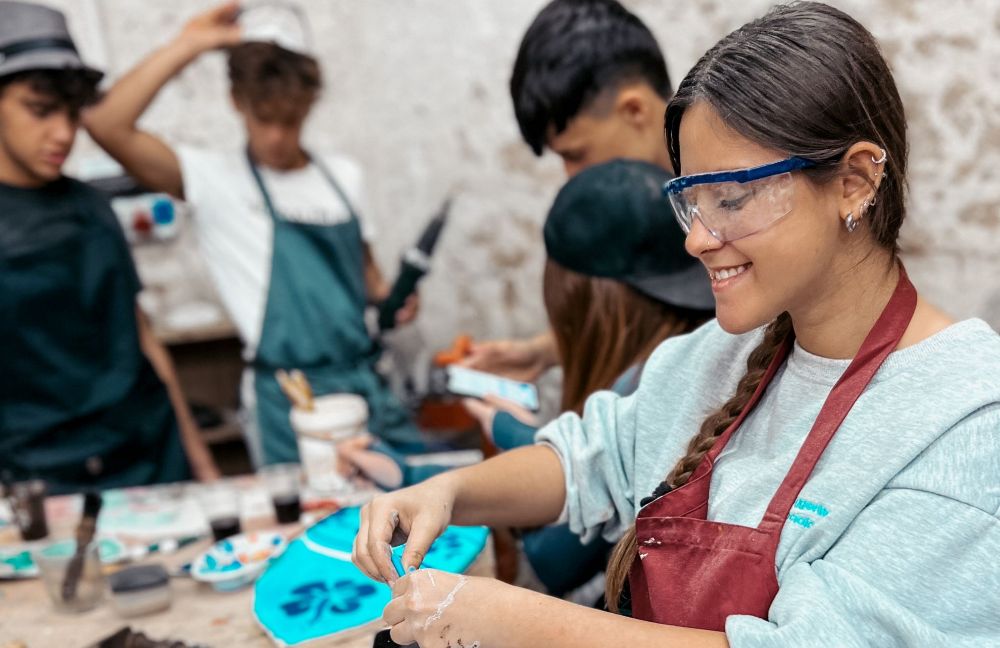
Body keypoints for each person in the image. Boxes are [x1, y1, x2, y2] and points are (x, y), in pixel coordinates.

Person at [352, 3, 1000, 647]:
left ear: (855, 181)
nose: (697, 241)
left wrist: (514, 621)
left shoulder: (965, 418)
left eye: (732, 198)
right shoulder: (722, 354)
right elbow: (590, 459)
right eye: (691, 202)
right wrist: (447, 492)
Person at [341, 160, 713, 599]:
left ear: (584, 302)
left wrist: (508, 428)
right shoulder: (686, 353)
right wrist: (413, 475)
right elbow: (587, 461)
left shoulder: (661, 383)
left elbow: (557, 555)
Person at [84, 2, 423, 468]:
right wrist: (188, 45)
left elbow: (370, 283)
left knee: (412, 519)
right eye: (265, 119)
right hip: (290, 400)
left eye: (292, 119)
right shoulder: (212, 180)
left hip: (366, 385)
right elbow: (105, 123)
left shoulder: (343, 177)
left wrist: (395, 299)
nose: (278, 137)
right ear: (237, 102)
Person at [0, 0, 219, 494]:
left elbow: (140, 335)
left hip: (152, 455)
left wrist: (201, 462)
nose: (63, 133)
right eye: (39, 111)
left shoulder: (90, 206)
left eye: (71, 113)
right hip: (46, 479)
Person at [464, 0, 676, 383]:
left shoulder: (735, 198)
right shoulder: (647, 210)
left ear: (633, 111)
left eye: (576, 154)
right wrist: (548, 351)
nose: (571, 178)